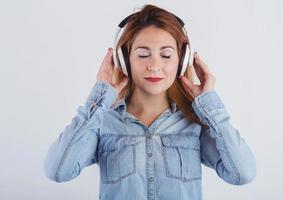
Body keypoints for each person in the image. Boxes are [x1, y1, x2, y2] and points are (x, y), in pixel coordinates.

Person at [43, 4, 256, 200]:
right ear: (124, 61)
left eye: (166, 55)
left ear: (181, 61)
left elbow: (243, 174)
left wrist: (208, 102)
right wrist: (100, 97)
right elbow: (57, 171)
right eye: (143, 55)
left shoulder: (194, 123)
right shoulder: (102, 121)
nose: (154, 66)